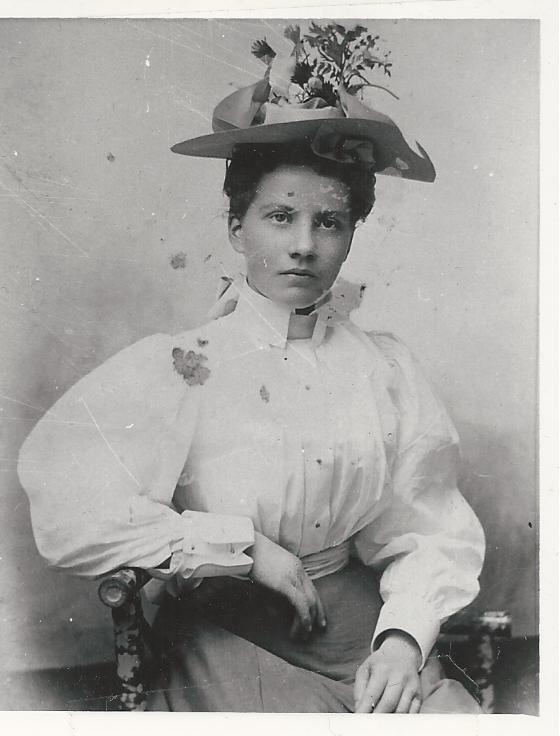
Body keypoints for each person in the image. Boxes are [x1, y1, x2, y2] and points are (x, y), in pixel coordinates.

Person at [17, 23, 485, 714]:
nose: (303, 245)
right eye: (279, 216)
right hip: (225, 621)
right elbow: (70, 511)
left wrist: (403, 640)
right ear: (238, 230)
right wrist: (244, 547)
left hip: (352, 625)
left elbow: (429, 528)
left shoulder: (383, 369)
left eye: (329, 221)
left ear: (353, 231)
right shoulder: (184, 367)